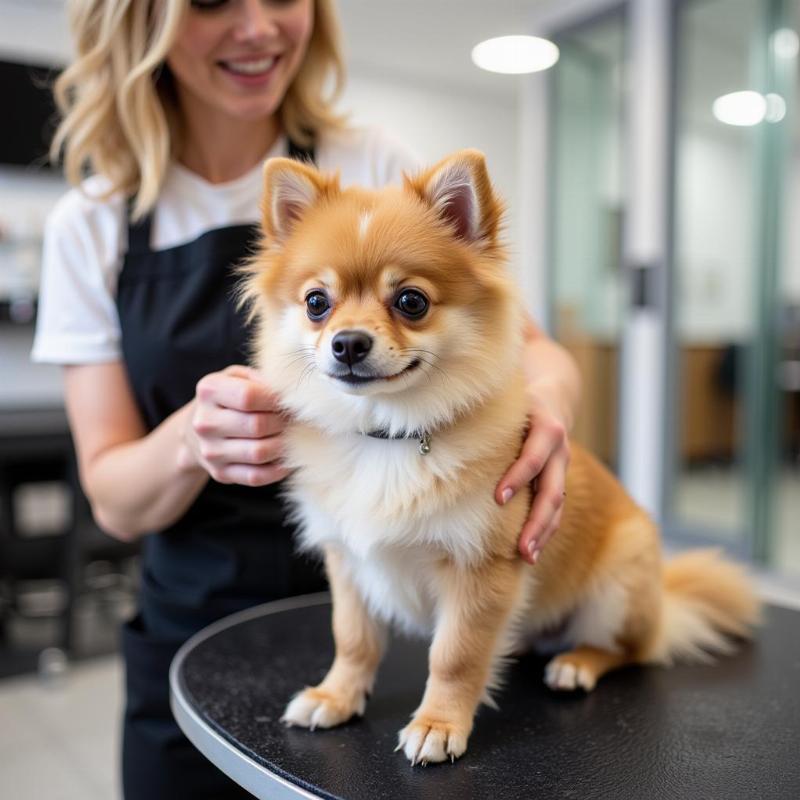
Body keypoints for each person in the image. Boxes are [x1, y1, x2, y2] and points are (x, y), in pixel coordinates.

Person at [32, 0, 581, 797]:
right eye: (216, 1)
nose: (258, 27)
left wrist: (551, 407)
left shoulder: (370, 159)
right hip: (198, 618)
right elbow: (112, 500)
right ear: (141, 21)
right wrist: (194, 436)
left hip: (397, 621)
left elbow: (527, 343)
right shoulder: (89, 225)